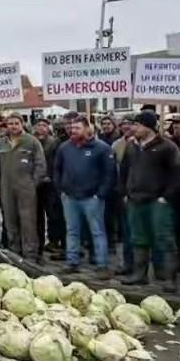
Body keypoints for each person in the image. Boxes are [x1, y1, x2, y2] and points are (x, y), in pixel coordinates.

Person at [121, 110, 180, 292]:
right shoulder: (132, 146)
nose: (134, 128)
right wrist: (124, 192)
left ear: (148, 127)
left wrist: (166, 196)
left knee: (164, 238)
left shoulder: (167, 147)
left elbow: (178, 174)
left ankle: (170, 278)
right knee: (138, 238)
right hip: (135, 200)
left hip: (157, 201)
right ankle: (140, 275)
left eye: (137, 125)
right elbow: (124, 170)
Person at [55, 116, 116, 278]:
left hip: (92, 198)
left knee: (97, 231)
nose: (72, 131)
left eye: (77, 128)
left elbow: (109, 174)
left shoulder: (102, 148)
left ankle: (102, 265)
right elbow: (57, 169)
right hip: (70, 198)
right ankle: (72, 262)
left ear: (88, 128)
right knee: (72, 231)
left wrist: (100, 194)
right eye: (71, 128)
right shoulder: (64, 148)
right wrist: (61, 189)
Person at [0, 114, 48, 262]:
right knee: (10, 222)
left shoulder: (31, 142)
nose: (13, 126)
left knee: (28, 222)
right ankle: (14, 253)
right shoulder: (1, 143)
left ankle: (30, 255)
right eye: (10, 124)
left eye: (16, 123)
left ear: (22, 124)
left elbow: (40, 165)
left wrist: (32, 184)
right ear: (6, 126)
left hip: (26, 189)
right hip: (6, 188)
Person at [109, 114, 137, 275]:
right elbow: (116, 168)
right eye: (124, 124)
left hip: (146, 193)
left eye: (130, 124)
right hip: (125, 191)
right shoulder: (117, 145)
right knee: (127, 231)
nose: (127, 127)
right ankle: (128, 263)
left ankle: (157, 265)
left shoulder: (148, 144)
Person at [34, 117, 65, 257]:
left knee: (54, 215)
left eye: (44, 125)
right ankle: (40, 241)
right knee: (37, 215)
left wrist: (50, 177)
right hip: (36, 184)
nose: (41, 128)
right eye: (39, 125)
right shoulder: (32, 142)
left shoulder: (54, 143)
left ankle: (55, 241)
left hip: (50, 184)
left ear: (49, 128)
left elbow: (56, 163)